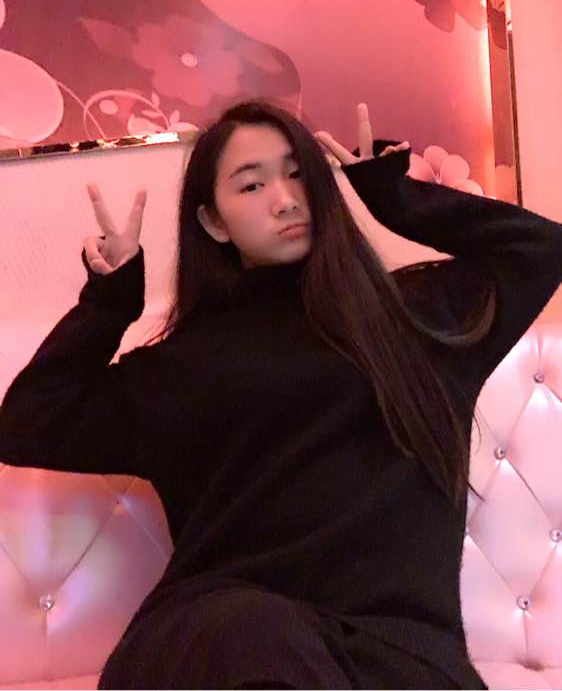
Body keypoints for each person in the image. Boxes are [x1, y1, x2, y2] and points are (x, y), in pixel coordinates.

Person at [1, 100, 561, 690]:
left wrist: (397, 199)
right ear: (213, 222)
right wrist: (108, 302)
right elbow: (28, 421)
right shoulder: (184, 366)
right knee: (259, 633)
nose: (286, 198)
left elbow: (540, 250)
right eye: (252, 185)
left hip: (392, 656)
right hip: (225, 641)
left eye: (299, 175)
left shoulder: (415, 320)